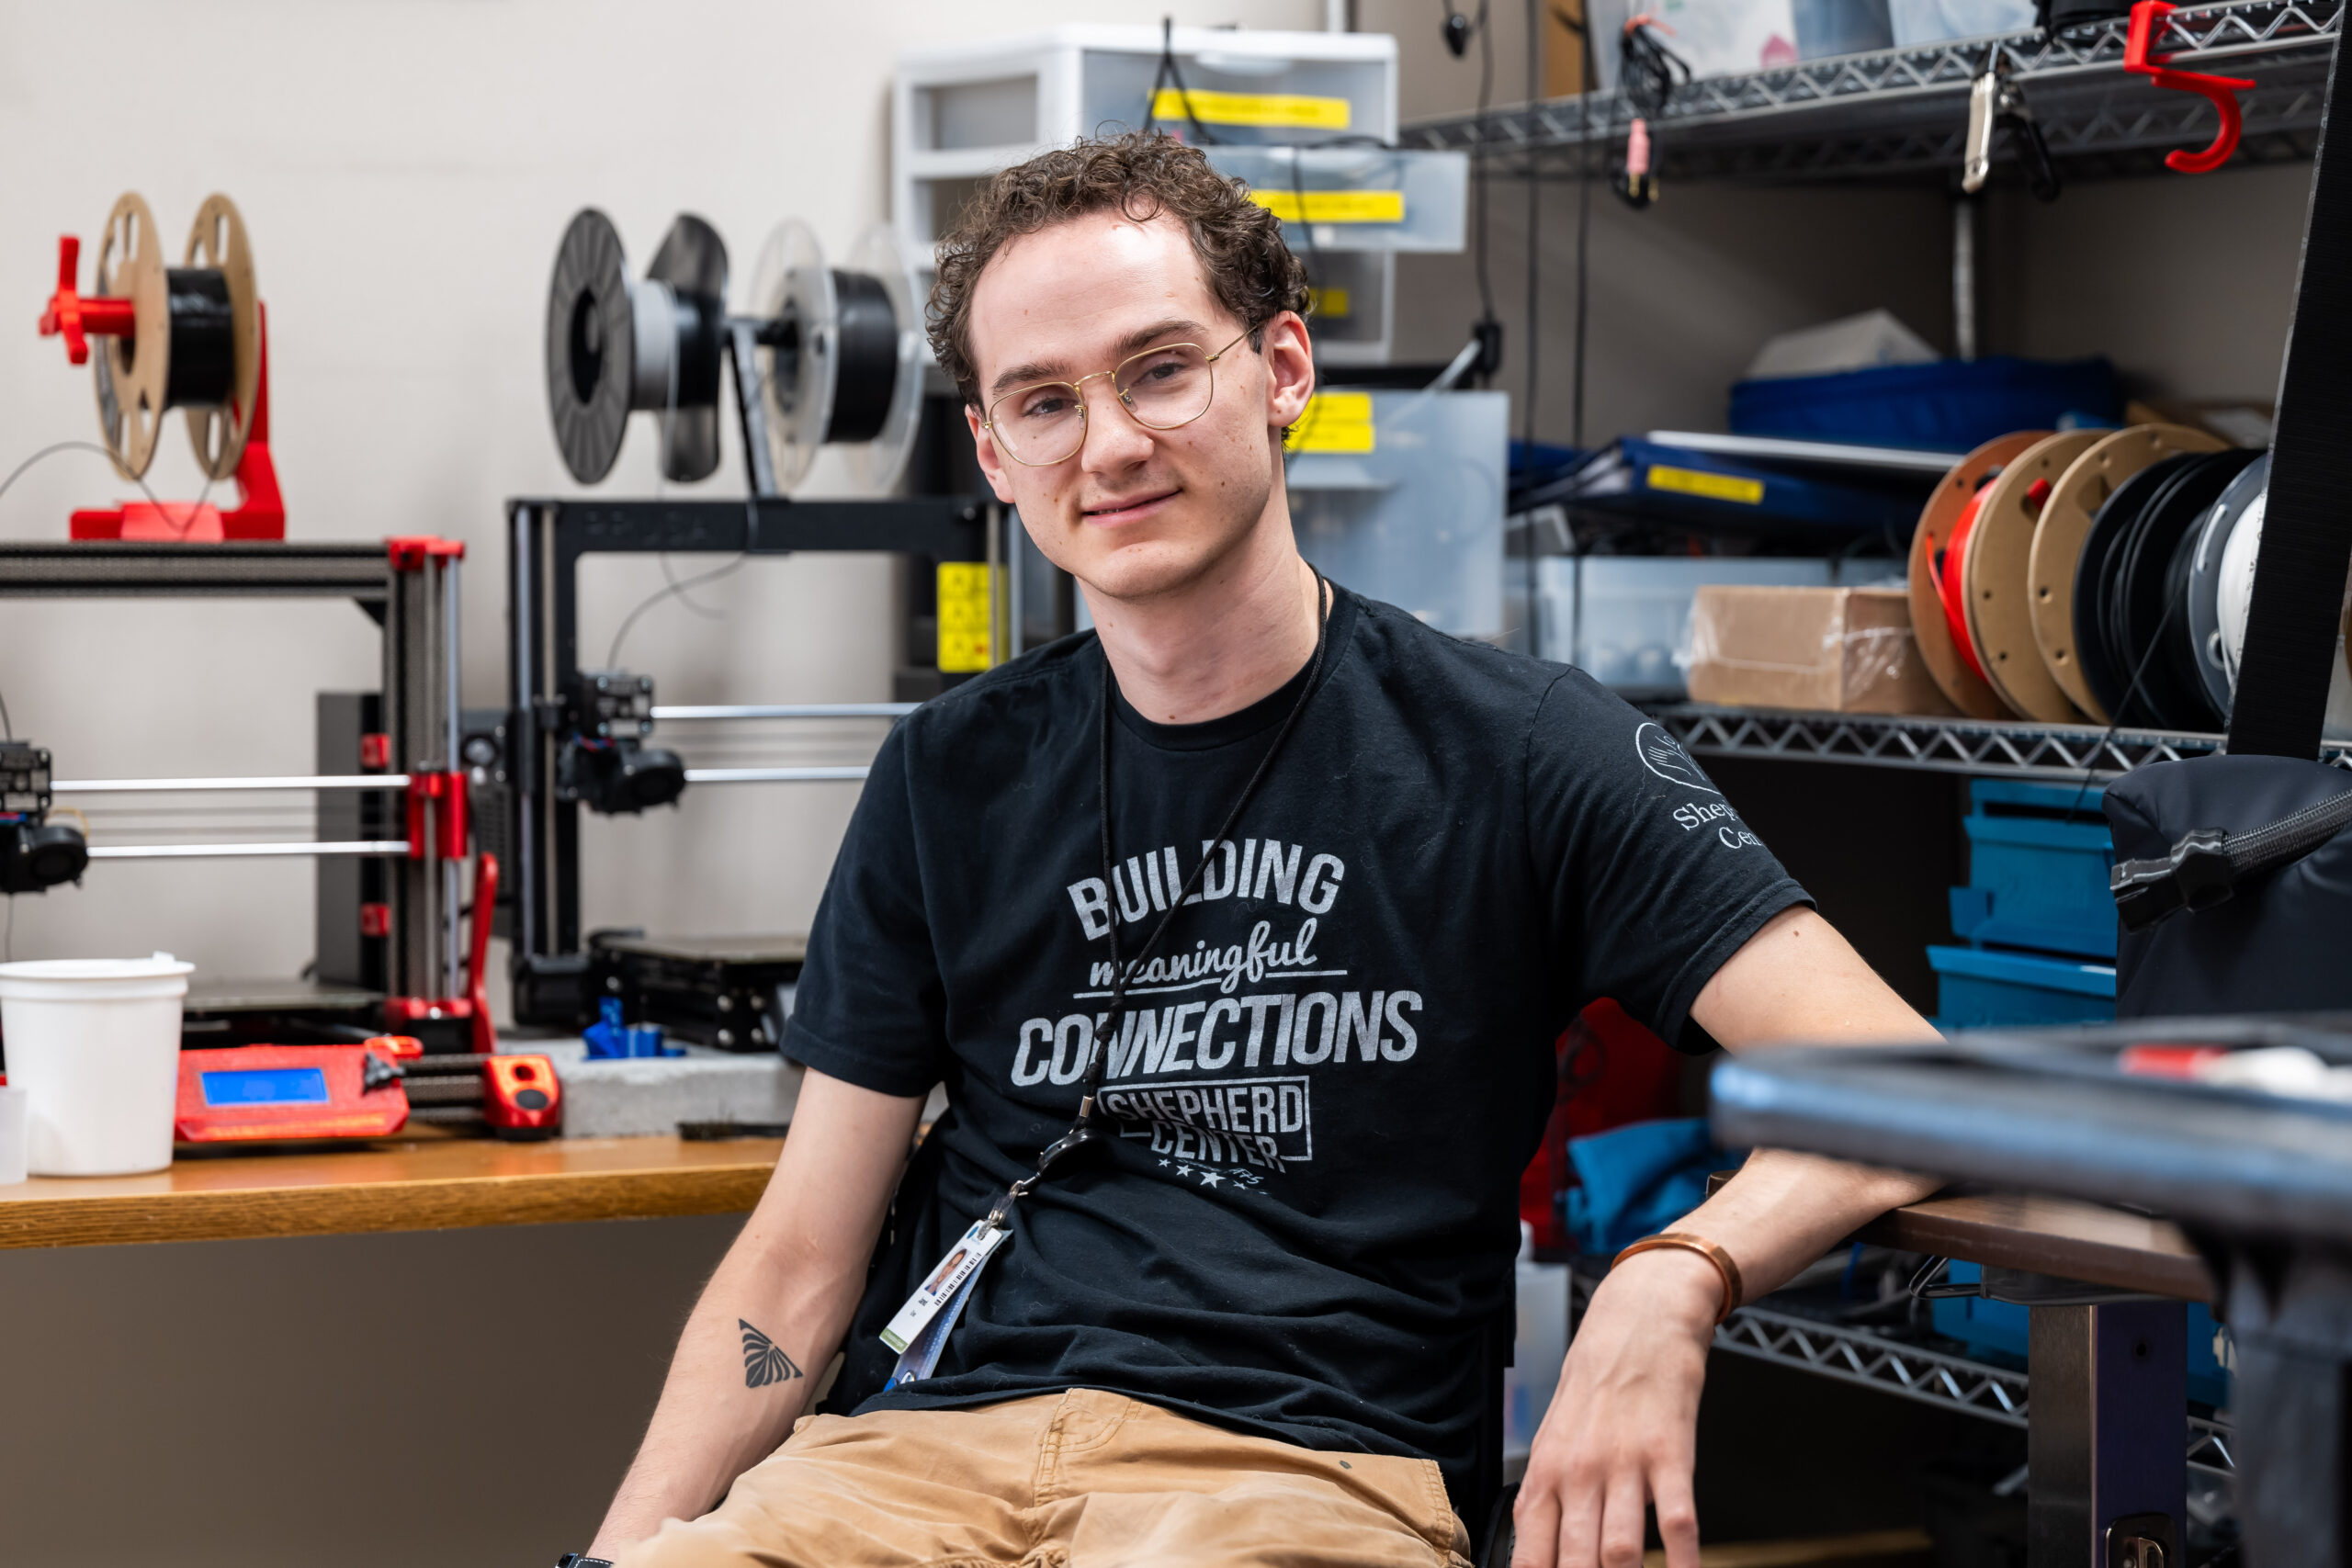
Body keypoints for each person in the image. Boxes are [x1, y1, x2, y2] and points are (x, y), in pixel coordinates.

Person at [588, 131, 1939, 1568]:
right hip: (911, 1468)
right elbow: (799, 1263)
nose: (1110, 444)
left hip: (1295, 1478)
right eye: (1044, 403)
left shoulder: (1520, 749)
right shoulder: (947, 776)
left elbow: (1900, 1078)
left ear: (1284, 367)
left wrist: (1674, 1274)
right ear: (992, 453)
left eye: (1161, 370)